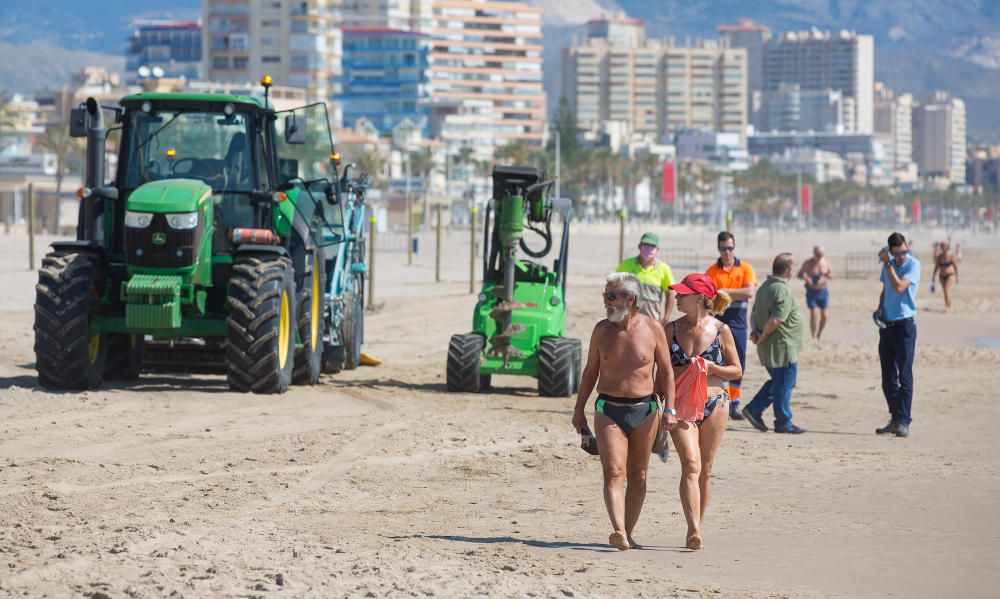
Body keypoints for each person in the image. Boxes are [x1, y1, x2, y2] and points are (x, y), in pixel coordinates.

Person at [572, 272, 675, 551]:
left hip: (646, 410)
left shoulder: (653, 329)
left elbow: (666, 372)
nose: (605, 301)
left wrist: (671, 409)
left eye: (610, 296)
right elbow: (590, 371)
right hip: (608, 408)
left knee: (639, 475)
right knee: (614, 471)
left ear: (630, 299)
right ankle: (617, 530)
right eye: (605, 295)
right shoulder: (601, 331)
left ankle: (627, 534)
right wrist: (578, 409)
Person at [664, 273, 742, 550]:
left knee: (706, 470)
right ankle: (694, 528)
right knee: (691, 465)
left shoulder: (721, 330)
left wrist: (711, 367)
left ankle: (694, 528)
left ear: (699, 298)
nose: (677, 298)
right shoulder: (669, 329)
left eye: (682, 294)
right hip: (681, 406)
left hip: (716, 403)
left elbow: (736, 370)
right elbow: (661, 373)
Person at [742, 253, 807, 434]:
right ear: (788, 271)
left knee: (779, 382)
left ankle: (754, 409)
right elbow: (776, 320)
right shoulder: (781, 289)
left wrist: (755, 332)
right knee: (784, 383)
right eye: (792, 268)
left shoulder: (764, 287)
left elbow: (753, 314)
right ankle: (783, 421)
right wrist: (760, 336)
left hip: (771, 346)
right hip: (782, 347)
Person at [705, 231, 757, 420]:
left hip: (739, 323)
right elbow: (708, 295)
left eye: (730, 248)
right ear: (718, 248)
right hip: (718, 323)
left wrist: (724, 292)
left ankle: (735, 403)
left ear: (734, 247)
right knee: (720, 362)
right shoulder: (712, 271)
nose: (727, 252)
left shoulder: (745, 268)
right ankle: (724, 401)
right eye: (724, 248)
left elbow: (750, 292)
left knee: (739, 362)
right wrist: (734, 293)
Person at [875, 233, 921, 438]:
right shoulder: (889, 265)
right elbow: (886, 289)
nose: (901, 256)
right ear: (891, 251)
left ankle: (904, 421)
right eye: (897, 254)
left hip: (905, 326)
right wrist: (879, 308)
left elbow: (900, 287)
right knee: (887, 378)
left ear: (907, 247)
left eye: (904, 251)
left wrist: (887, 264)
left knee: (904, 375)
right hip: (887, 326)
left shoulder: (913, 265)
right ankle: (896, 417)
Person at [616, 232, 676, 323]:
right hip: (628, 322)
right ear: (639, 246)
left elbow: (670, 294)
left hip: (652, 322)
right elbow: (614, 288)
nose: (649, 248)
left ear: (657, 249)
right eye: (646, 244)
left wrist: (666, 318)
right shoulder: (625, 265)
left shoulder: (664, 269)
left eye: (652, 245)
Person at [797, 245, 834, 340]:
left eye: (821, 255)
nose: (819, 256)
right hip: (811, 291)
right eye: (817, 254)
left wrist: (824, 278)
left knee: (824, 315)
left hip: (823, 290)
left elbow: (831, 274)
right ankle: (813, 336)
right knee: (813, 314)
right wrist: (806, 278)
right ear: (814, 253)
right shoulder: (808, 263)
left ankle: (819, 334)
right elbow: (800, 274)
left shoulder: (826, 262)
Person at [932, 240, 958, 313]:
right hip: (942, 276)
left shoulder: (951, 255)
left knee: (947, 289)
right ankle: (947, 305)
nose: (941, 247)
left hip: (950, 275)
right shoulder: (940, 256)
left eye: (943, 246)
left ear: (947, 247)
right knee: (945, 291)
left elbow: (955, 266)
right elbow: (936, 267)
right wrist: (933, 277)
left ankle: (948, 306)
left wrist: (957, 277)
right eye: (941, 246)